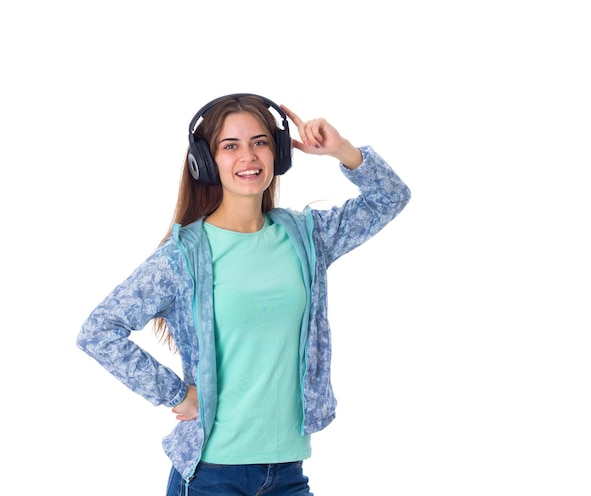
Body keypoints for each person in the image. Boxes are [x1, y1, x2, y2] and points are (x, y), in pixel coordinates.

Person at [77, 93, 411, 495]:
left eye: (260, 142)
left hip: (287, 472)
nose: (248, 156)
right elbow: (98, 331)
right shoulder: (183, 257)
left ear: (279, 152)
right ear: (206, 161)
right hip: (211, 475)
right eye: (230, 146)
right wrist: (176, 393)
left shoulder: (307, 237)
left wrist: (340, 150)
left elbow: (391, 197)